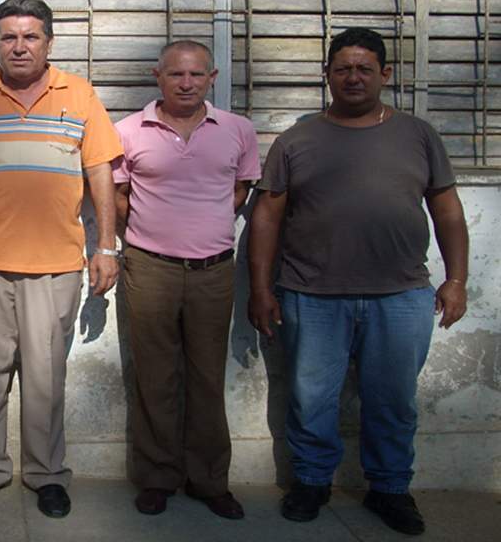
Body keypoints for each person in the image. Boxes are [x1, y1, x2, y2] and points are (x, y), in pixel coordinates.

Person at [248, 27, 469, 535]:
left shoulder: (418, 135)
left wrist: (456, 279)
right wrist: (260, 289)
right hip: (312, 294)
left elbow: (448, 211)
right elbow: (267, 217)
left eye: (364, 69)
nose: (353, 78)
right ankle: (311, 481)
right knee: (311, 397)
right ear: (326, 75)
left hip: (401, 295)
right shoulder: (296, 140)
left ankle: (390, 488)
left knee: (393, 400)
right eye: (342, 69)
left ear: (384, 74)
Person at [0, 0, 123, 518]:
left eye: (30, 36)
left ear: (49, 42)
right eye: (9, 37)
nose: (19, 47)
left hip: (55, 263)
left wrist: (105, 246)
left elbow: (100, 172)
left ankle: (46, 475)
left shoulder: (79, 94)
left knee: (45, 377)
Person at [112, 41, 259, 519]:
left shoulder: (237, 130)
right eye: (176, 74)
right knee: (154, 376)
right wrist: (153, 234)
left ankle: (209, 480)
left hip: (213, 271)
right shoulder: (128, 131)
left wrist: (202, 227)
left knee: (207, 377)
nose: (187, 83)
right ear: (157, 76)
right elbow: (118, 197)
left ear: (212, 78)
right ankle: (158, 477)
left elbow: (238, 190)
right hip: (149, 268)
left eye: (197, 74)